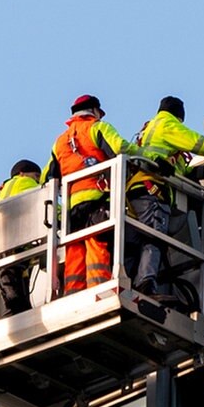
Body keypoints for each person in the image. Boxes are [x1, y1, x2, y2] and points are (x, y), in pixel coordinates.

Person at [126, 96, 204, 298]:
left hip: (137, 191)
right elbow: (200, 144)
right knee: (154, 239)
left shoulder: (149, 130)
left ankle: (132, 283)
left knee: (138, 241)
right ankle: (145, 285)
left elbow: (180, 174)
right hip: (151, 190)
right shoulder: (168, 123)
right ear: (179, 115)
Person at [47, 95, 141, 295]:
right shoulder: (98, 128)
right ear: (94, 111)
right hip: (96, 200)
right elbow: (121, 149)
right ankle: (100, 291)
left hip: (72, 210)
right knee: (96, 246)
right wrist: (144, 154)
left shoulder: (59, 142)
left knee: (74, 252)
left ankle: (73, 294)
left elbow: (48, 180)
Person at [0, 159, 44, 315]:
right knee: (19, 303)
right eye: (36, 176)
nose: (38, 181)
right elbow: (47, 203)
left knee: (13, 300)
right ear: (22, 174)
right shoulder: (23, 183)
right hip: (11, 248)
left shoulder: (1, 192)